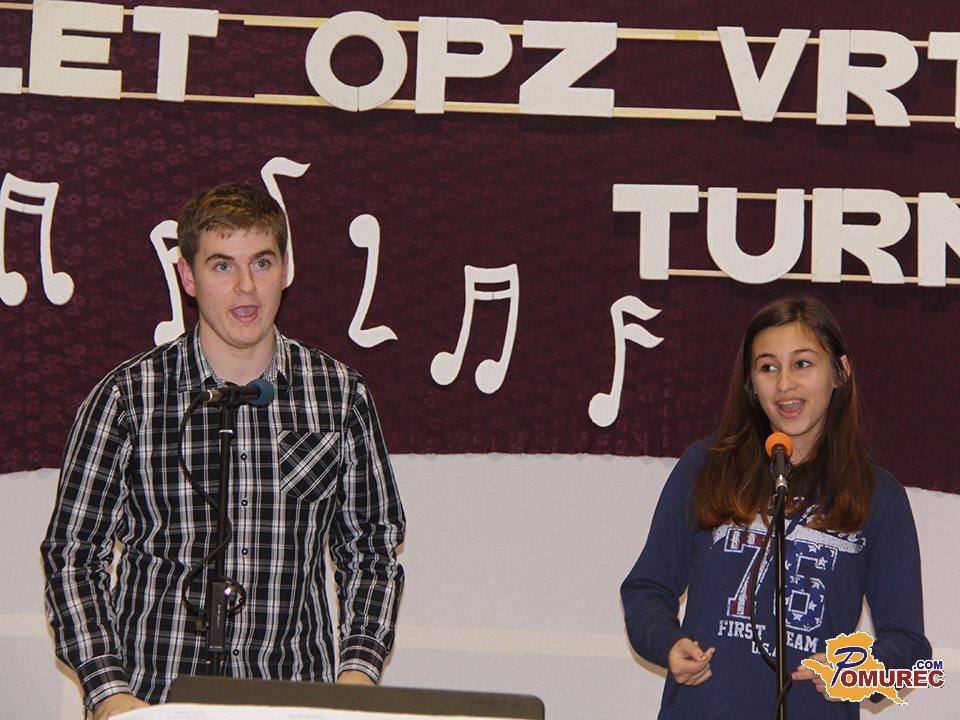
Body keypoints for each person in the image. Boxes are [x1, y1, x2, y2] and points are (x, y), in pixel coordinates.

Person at [41, 183, 405, 720]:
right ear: (187, 277)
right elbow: (73, 555)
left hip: (294, 701)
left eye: (261, 262)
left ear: (286, 269)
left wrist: (355, 678)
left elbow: (371, 548)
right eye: (221, 266)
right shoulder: (128, 398)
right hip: (151, 700)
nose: (245, 287)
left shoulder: (338, 395)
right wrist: (109, 693)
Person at [621, 297, 931, 719]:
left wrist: (858, 673)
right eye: (768, 368)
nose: (784, 384)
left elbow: (909, 646)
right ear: (751, 382)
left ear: (840, 372)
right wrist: (667, 643)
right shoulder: (706, 466)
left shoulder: (879, 496)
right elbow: (646, 589)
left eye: (802, 364)